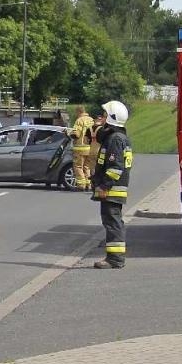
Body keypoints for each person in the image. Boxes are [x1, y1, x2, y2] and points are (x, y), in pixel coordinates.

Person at [90, 99, 132, 269]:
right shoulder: (118, 137)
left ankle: (115, 259)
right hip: (115, 190)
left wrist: (104, 186)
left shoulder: (115, 139)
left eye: (105, 115)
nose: (102, 117)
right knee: (113, 222)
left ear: (112, 118)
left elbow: (115, 167)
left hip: (112, 190)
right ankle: (114, 257)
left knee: (113, 223)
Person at [69, 108, 97, 190]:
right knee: (87, 167)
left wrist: (68, 133)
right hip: (90, 148)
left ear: (78, 112)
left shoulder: (79, 120)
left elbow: (76, 134)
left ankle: (81, 185)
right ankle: (89, 184)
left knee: (78, 167)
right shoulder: (91, 120)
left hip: (80, 148)